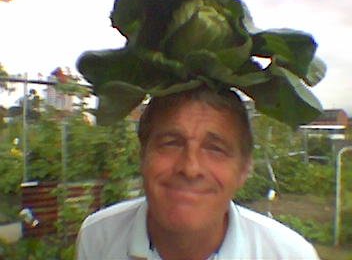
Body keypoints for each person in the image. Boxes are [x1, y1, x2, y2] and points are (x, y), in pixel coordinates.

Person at [76, 86, 320, 260]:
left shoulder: (288, 255)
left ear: (244, 169)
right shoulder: (98, 238)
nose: (190, 168)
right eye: (171, 142)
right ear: (143, 155)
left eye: (215, 149)